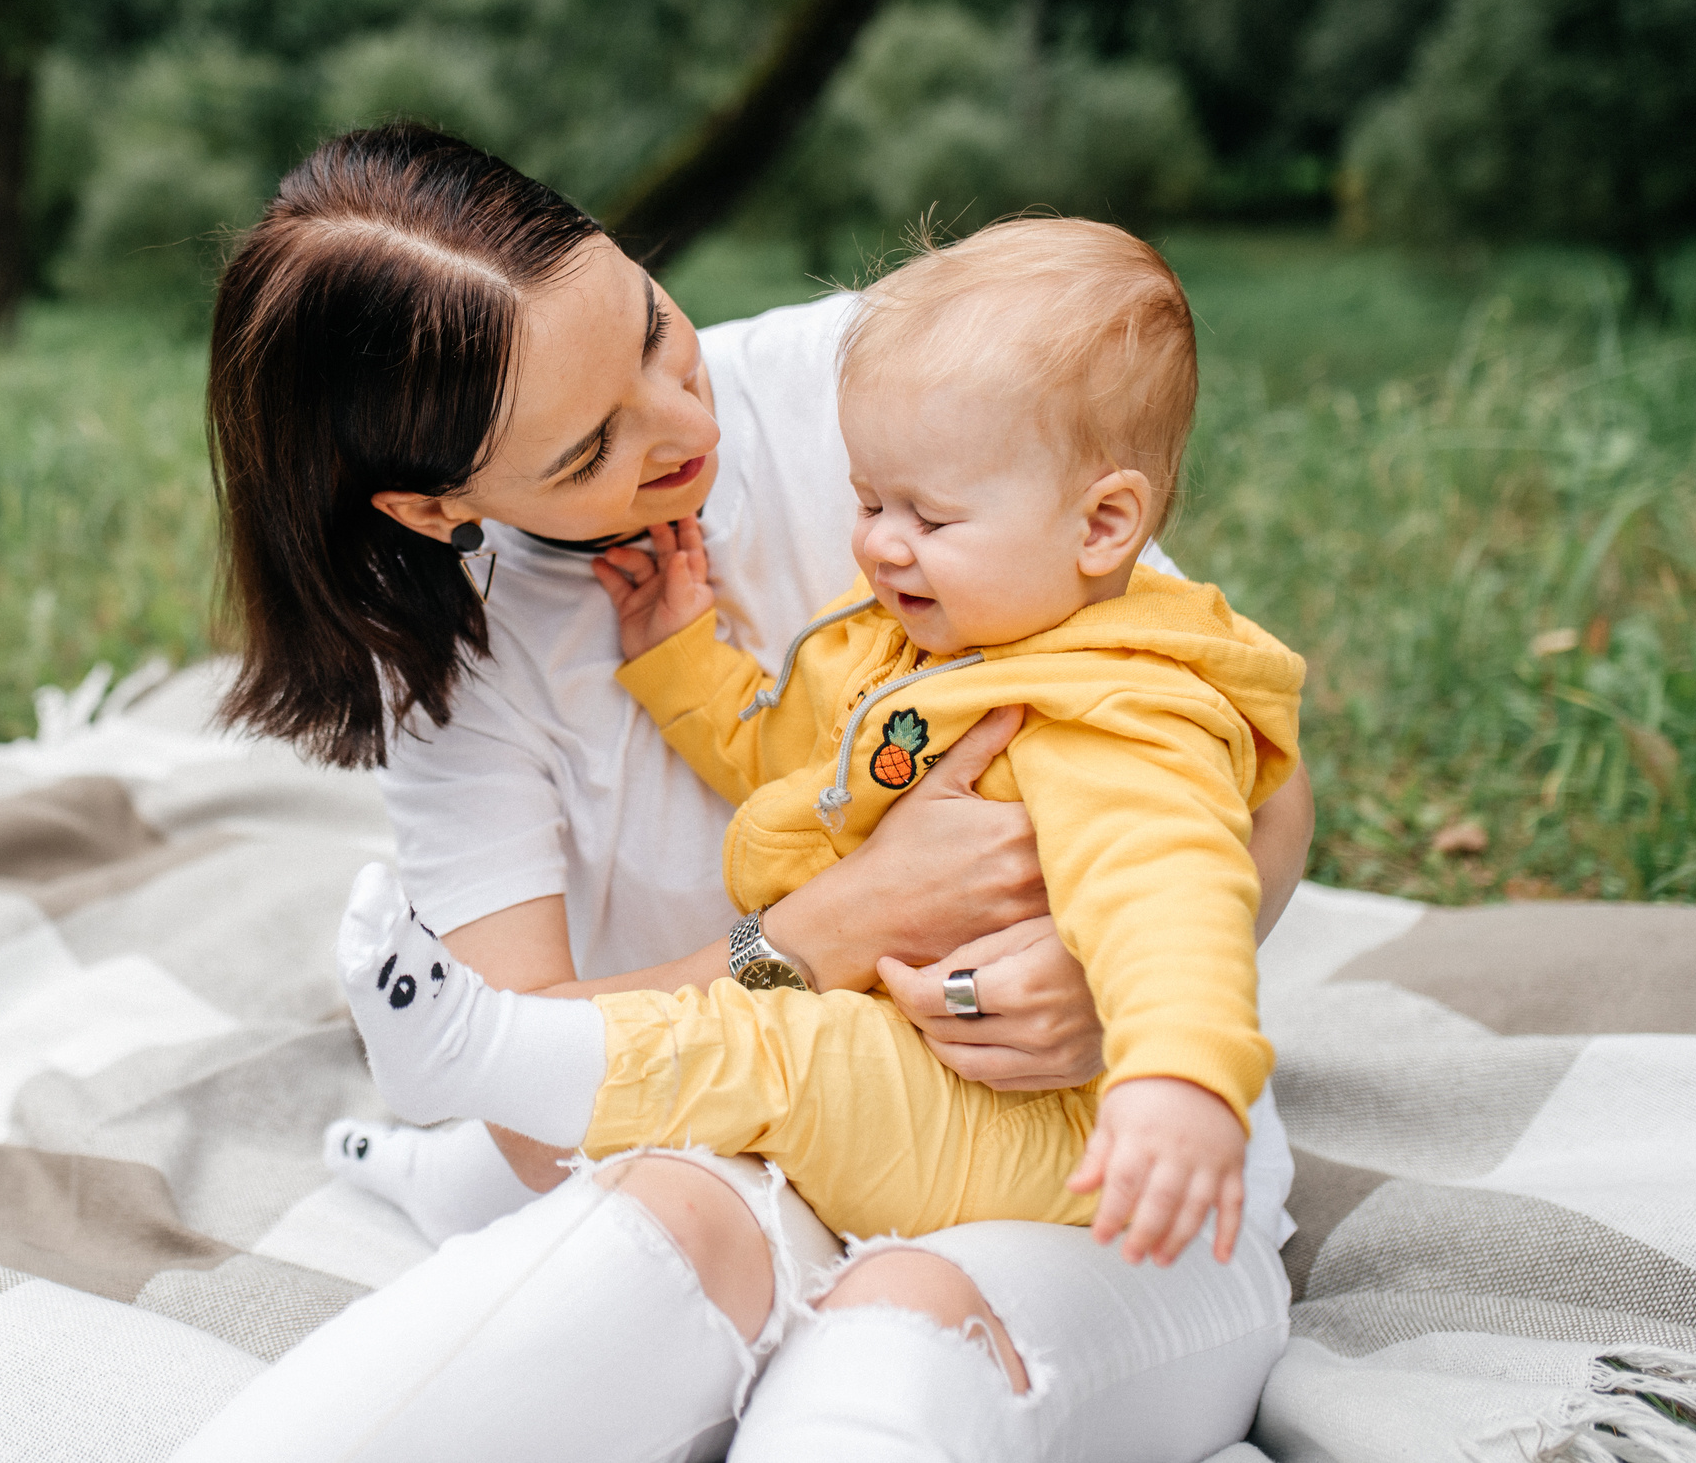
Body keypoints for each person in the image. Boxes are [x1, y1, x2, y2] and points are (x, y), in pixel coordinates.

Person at [174, 125, 1309, 1462]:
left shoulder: (903, 382)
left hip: (1084, 1185)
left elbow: (1230, 781)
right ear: (435, 509)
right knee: (636, 1231)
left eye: (654, 329)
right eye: (591, 446)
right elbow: (554, 1117)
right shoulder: (466, 674)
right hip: (766, 1148)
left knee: (889, 1334)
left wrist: (1117, 986)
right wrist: (834, 925)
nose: (684, 421)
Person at [337, 217, 1303, 1272]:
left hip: (1029, 1125)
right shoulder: (918, 634)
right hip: (878, 1068)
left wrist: (1171, 1071)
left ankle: (490, 1058)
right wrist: (681, 664)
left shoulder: (1100, 690)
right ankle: (448, 1160)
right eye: (868, 501)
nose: (882, 540)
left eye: (655, 328)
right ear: (434, 507)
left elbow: (1176, 885)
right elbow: (798, 762)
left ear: (1103, 526)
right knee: (730, 1074)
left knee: (787, 1053)